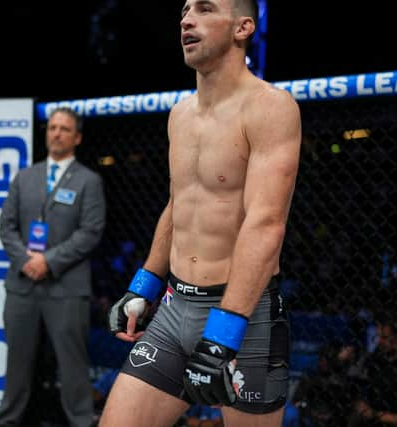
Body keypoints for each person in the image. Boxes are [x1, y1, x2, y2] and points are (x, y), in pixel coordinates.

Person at [101, 1, 302, 426]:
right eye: (184, 10)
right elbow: (180, 206)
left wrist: (224, 332)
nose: (186, 19)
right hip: (175, 310)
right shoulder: (181, 115)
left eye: (205, 9)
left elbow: (266, 225)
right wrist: (143, 286)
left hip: (244, 316)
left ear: (243, 27)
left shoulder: (270, 107)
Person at [0, 107, 106, 427]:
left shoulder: (89, 181)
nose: (56, 133)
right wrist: (26, 261)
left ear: (77, 137)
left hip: (66, 287)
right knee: (16, 364)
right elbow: (6, 227)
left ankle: (82, 422)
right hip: (22, 284)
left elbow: (91, 232)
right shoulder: (24, 177)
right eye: (53, 127)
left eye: (64, 129)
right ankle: (8, 422)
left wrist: (49, 261)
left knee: (73, 366)